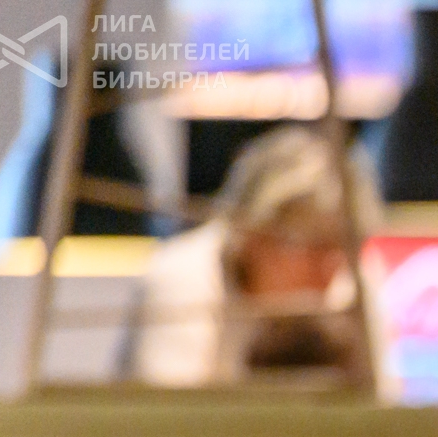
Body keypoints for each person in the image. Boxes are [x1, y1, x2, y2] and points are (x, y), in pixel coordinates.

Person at [134, 125, 382, 388]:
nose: (330, 269)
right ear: (253, 234)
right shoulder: (184, 277)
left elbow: (381, 400)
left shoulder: (351, 283)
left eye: (343, 248)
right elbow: (168, 407)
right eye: (315, 247)